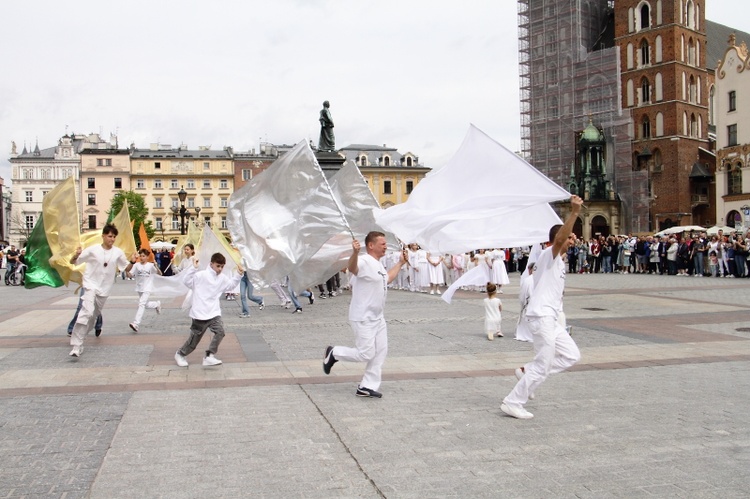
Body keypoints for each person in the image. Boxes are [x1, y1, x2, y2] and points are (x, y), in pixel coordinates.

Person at [500, 196, 583, 420]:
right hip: (541, 317)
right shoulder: (549, 256)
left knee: (571, 355)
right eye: (569, 238)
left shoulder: (559, 260)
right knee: (543, 363)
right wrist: (574, 213)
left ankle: (527, 372)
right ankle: (513, 401)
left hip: (551, 319)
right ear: (557, 239)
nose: (572, 241)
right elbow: (559, 241)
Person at [322, 232, 406, 398]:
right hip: (363, 317)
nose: (386, 246)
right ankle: (334, 352)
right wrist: (354, 253)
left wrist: (400, 263)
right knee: (366, 353)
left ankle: (367, 386)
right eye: (382, 243)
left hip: (378, 317)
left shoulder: (378, 265)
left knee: (380, 351)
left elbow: (386, 279)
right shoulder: (364, 260)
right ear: (371, 245)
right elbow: (353, 268)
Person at [68, 224, 136, 358]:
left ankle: (81, 339)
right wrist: (76, 255)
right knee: (85, 312)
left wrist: (133, 262)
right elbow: (74, 262)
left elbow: (126, 268)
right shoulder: (92, 250)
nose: (112, 239)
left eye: (114, 237)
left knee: (92, 318)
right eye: (110, 236)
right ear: (103, 236)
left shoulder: (117, 252)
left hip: (104, 289)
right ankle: (76, 345)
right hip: (90, 285)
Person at [174, 253, 244, 367]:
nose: (220, 269)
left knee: (220, 332)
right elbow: (186, 281)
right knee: (194, 340)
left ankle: (209, 356)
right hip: (199, 313)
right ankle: (180, 354)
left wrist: (238, 274)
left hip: (214, 312)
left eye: (222, 266)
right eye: (218, 266)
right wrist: (193, 268)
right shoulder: (200, 276)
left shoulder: (222, 278)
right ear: (211, 264)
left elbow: (230, 285)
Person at [128, 248, 162, 333]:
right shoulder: (136, 265)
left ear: (147, 257)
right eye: (141, 256)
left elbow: (160, 274)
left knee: (141, 304)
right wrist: (127, 269)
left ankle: (136, 323)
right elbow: (130, 275)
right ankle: (156, 304)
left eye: (144, 256)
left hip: (148, 287)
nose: (142, 257)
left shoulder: (150, 266)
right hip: (139, 287)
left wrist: (156, 266)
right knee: (145, 304)